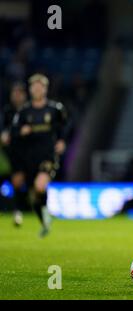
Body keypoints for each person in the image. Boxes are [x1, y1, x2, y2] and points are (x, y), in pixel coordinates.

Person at [11, 74, 69, 237]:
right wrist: (20, 131)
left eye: (40, 86)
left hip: (48, 156)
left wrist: (62, 141)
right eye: (34, 87)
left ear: (45, 89)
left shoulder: (55, 109)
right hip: (28, 157)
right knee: (34, 196)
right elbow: (13, 131)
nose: (37, 89)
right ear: (30, 90)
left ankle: (44, 216)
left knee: (40, 185)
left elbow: (66, 127)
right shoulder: (24, 111)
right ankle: (45, 218)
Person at [1, 82, 28, 226]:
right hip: (6, 155)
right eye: (14, 93)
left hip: (25, 154)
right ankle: (17, 211)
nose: (17, 96)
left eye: (19, 93)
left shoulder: (29, 112)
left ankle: (20, 211)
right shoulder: (6, 112)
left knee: (21, 183)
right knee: (15, 181)